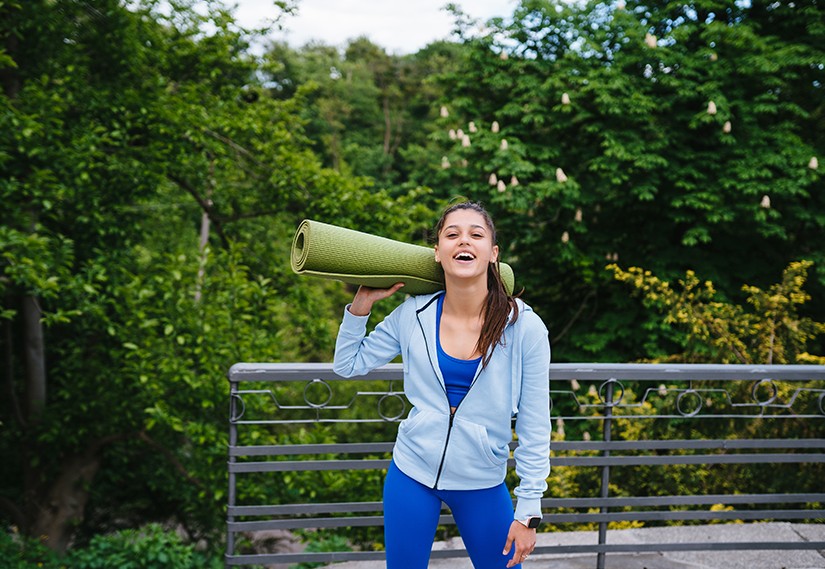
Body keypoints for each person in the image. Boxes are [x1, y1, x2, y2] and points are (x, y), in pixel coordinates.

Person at [333, 201, 551, 568]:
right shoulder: (412, 314)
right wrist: (361, 307)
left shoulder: (525, 328)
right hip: (411, 473)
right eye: (452, 234)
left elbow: (534, 424)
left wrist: (528, 509)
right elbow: (347, 364)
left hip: (482, 481)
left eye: (475, 234)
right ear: (438, 252)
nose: (463, 241)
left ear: (493, 253)